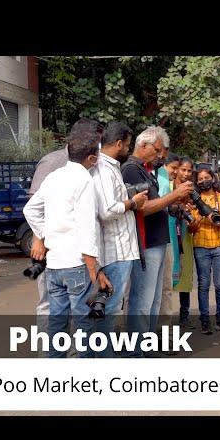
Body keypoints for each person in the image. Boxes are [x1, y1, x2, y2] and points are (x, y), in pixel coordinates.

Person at [23, 124, 112, 358]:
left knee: (57, 325)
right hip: (77, 265)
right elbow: (86, 228)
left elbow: (30, 210)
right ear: (93, 158)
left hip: (54, 266)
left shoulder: (54, 177)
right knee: (84, 325)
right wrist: (95, 270)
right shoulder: (84, 181)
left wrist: (46, 234)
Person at [121, 127, 193, 348]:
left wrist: (174, 203)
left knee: (154, 300)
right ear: (143, 145)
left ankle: (147, 345)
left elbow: (156, 204)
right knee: (142, 300)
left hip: (158, 241)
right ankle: (135, 350)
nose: (161, 156)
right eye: (158, 150)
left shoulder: (146, 170)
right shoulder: (132, 170)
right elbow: (143, 208)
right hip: (147, 243)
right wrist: (174, 195)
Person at [91, 121, 148, 357]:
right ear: (118, 143)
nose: (128, 148)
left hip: (124, 249)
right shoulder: (103, 169)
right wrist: (133, 203)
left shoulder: (112, 166)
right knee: (110, 306)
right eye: (127, 144)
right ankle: (103, 358)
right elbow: (106, 209)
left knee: (114, 306)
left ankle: (106, 355)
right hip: (114, 250)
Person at [189, 168, 220, 334]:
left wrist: (217, 222)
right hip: (200, 245)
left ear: (212, 178)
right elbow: (191, 228)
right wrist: (202, 214)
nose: (203, 181)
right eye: (200, 179)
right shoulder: (193, 200)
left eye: (206, 177)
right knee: (203, 284)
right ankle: (205, 320)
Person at [157, 152, 182, 326]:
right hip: (161, 239)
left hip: (161, 237)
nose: (176, 172)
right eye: (173, 168)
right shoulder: (163, 181)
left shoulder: (158, 178)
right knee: (165, 289)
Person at [172, 156, 197, 329]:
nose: (186, 173)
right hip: (169, 233)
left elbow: (195, 221)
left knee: (185, 275)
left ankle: (184, 314)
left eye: (189, 171)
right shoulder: (167, 186)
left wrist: (193, 218)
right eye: (183, 169)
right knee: (167, 274)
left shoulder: (192, 191)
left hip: (185, 235)